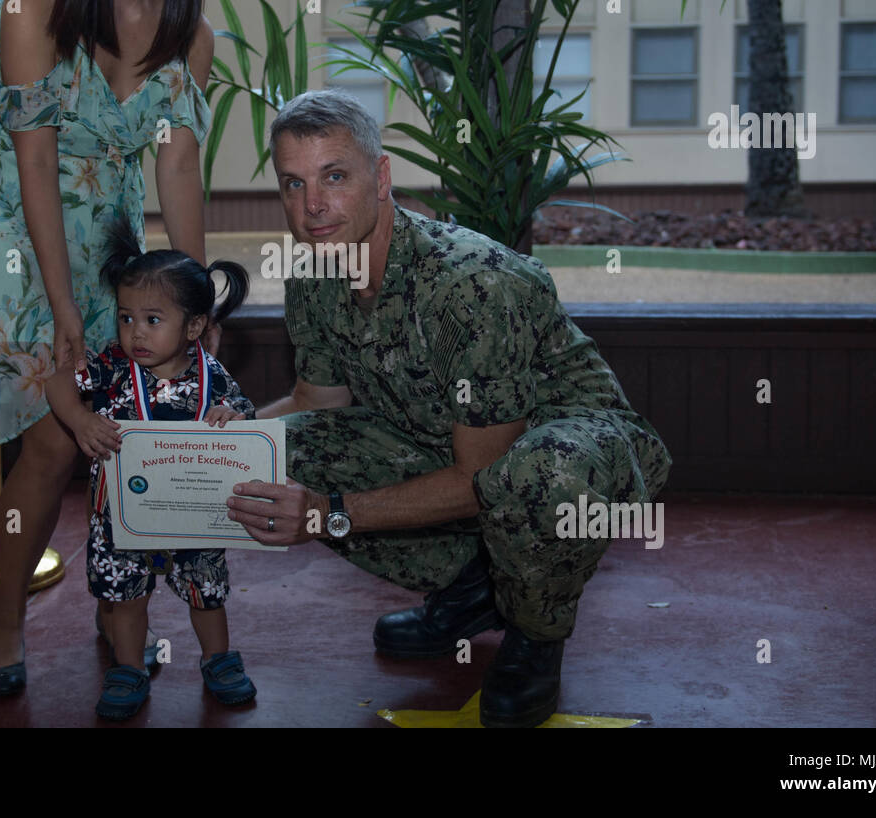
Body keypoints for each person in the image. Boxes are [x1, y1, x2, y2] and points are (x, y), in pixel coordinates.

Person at [229, 89, 673, 728]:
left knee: (537, 477)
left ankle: (534, 635)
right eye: (292, 184)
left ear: (381, 177)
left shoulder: (472, 283)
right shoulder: (316, 273)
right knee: (291, 446)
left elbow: (482, 477)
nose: (313, 207)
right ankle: (478, 590)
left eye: (334, 177)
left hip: (572, 457)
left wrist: (327, 517)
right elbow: (315, 401)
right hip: (456, 446)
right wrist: (218, 439)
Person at [0, 0, 215, 694]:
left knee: (121, 431)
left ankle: (115, 603)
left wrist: (193, 303)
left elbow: (176, 165)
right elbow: (34, 165)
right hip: (20, 240)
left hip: (109, 244)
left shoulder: (189, 33)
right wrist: (63, 309)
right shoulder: (35, 6)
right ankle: (5, 624)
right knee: (58, 446)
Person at [46, 218, 257, 720]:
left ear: (195, 327)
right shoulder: (113, 367)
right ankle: (128, 667)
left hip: (192, 513)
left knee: (205, 592)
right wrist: (79, 419)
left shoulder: (211, 375)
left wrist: (232, 418)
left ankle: (218, 659)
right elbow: (58, 383)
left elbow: (246, 415)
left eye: (152, 320)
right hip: (121, 517)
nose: (135, 332)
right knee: (125, 598)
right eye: (125, 317)